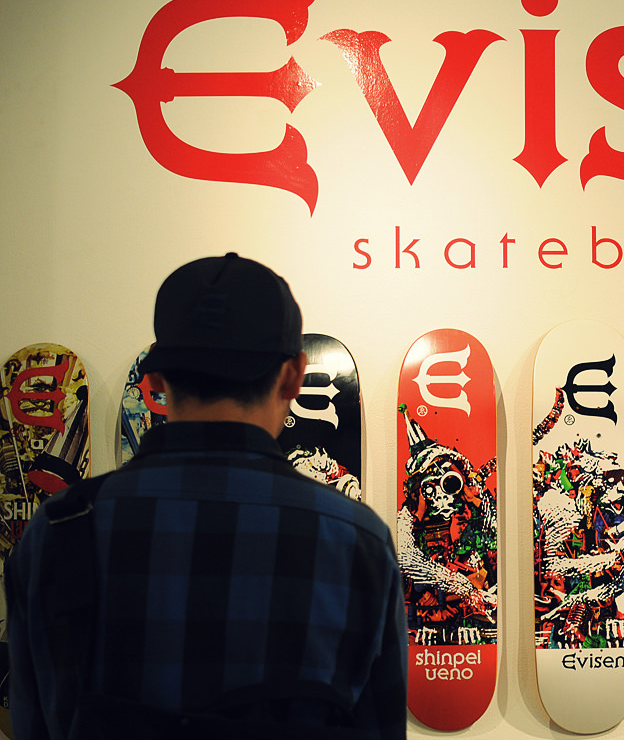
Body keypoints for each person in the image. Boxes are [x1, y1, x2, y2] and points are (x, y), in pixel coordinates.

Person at [4, 253, 407, 739]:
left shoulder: (58, 530)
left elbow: (30, 723)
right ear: (294, 377)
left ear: (154, 379)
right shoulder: (359, 542)